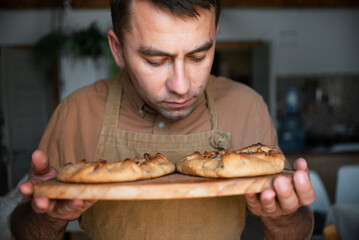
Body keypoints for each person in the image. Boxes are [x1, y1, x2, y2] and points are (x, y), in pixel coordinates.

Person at [10, 0, 315, 239]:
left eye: (198, 57)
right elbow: (24, 233)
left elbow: (296, 233)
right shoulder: (77, 113)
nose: (181, 86)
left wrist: (284, 216)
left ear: (214, 38)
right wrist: (46, 217)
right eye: (156, 61)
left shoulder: (247, 107)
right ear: (118, 49)